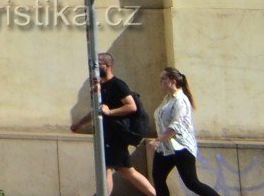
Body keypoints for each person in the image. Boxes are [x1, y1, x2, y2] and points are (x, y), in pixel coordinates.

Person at [87, 53, 158, 196]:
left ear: (107, 65)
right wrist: (79, 124)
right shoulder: (100, 86)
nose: (94, 67)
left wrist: (110, 112)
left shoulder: (117, 84)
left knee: (106, 167)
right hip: (109, 134)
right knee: (126, 170)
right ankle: (153, 194)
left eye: (97, 64)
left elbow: (131, 106)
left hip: (116, 135)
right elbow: (97, 110)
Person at [154, 68, 224, 196]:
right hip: (166, 147)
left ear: (173, 81)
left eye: (163, 78)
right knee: (158, 177)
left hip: (181, 147)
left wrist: (159, 139)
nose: (161, 82)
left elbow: (177, 125)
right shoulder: (168, 99)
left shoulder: (180, 100)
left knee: (191, 182)